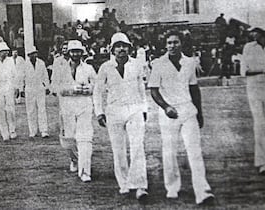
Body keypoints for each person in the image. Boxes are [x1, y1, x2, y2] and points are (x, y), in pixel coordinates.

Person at [148, 30, 214, 205]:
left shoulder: (190, 62)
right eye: (169, 43)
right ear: (165, 45)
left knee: (194, 151)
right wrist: (166, 107)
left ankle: (202, 191)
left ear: (181, 44)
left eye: (175, 42)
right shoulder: (158, 63)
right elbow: (153, 90)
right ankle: (172, 187)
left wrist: (199, 113)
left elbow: (194, 89)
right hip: (168, 113)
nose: (172, 46)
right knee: (169, 150)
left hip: (187, 110)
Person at [93, 32, 148, 200]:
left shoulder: (137, 65)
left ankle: (139, 185)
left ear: (129, 48)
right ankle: (124, 183)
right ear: (112, 49)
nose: (121, 49)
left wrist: (144, 108)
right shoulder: (105, 67)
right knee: (118, 149)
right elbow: (97, 91)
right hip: (114, 110)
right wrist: (99, 112)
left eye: (124, 46)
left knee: (137, 146)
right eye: (117, 46)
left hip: (134, 108)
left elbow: (142, 88)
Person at [52, 40, 96, 182]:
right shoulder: (60, 68)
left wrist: (89, 89)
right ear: (68, 52)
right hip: (67, 106)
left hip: (84, 106)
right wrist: (71, 89)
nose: (76, 54)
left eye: (78, 51)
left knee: (84, 138)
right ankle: (75, 159)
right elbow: (54, 87)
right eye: (73, 51)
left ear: (82, 53)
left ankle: (85, 172)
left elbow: (97, 86)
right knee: (68, 139)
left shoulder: (88, 68)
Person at [240, 27, 265, 175]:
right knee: (260, 124)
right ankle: (262, 162)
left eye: (256, 31)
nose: (252, 34)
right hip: (254, 89)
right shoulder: (248, 47)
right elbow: (243, 71)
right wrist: (263, 71)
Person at [0, 42, 19, 141]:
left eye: (6, 51)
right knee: (0, 109)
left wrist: (16, 87)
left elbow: (14, 75)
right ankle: (4, 132)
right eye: (4, 51)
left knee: (10, 109)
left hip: (9, 85)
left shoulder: (10, 61)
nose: (6, 53)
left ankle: (12, 130)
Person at [20, 46, 50, 138]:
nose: (34, 55)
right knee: (31, 110)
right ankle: (33, 131)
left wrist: (47, 86)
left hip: (39, 87)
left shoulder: (41, 63)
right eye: (32, 54)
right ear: (28, 55)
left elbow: (45, 75)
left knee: (42, 109)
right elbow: (21, 78)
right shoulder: (24, 65)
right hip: (29, 88)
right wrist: (21, 89)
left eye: (35, 53)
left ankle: (44, 130)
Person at [50, 41, 69, 138]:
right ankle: (63, 128)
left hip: (71, 88)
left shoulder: (74, 60)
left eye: (67, 48)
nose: (65, 50)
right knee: (62, 110)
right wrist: (54, 88)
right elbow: (55, 75)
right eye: (64, 48)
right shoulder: (58, 60)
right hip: (61, 88)